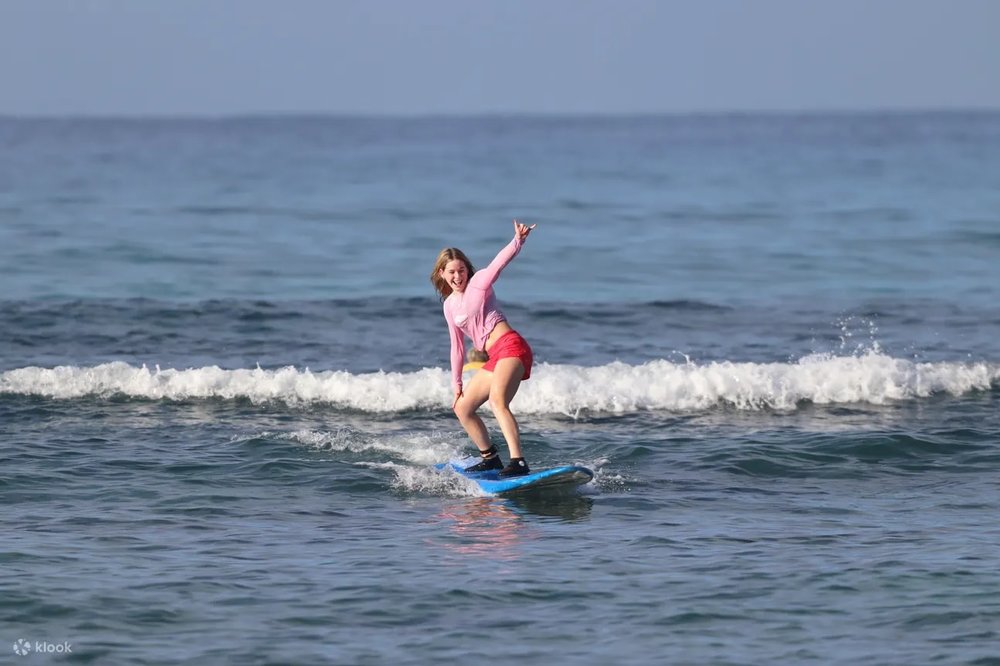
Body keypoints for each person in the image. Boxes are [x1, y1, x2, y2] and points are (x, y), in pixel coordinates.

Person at [430, 220, 536, 477]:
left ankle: (519, 462)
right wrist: (457, 385)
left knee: (498, 402)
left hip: (511, 346)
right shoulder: (449, 306)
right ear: (442, 273)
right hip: (494, 357)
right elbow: (457, 347)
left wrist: (517, 241)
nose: (458, 276)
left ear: (468, 270)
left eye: (462, 270)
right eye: (451, 272)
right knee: (462, 408)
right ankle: (490, 458)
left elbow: (499, 263)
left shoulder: (479, 284)